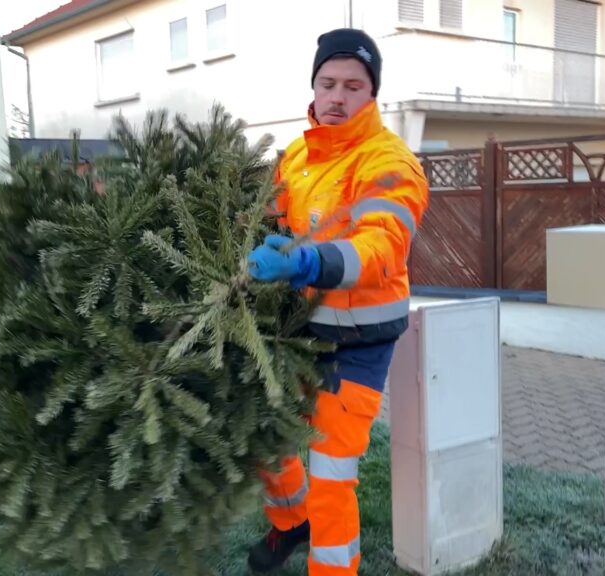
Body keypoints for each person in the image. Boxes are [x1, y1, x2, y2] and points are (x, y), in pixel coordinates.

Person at [245, 27, 430, 576]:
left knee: (330, 473)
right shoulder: (297, 156)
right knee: (269, 438)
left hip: (358, 343)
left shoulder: (391, 162)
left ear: (372, 95)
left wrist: (309, 262)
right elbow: (270, 217)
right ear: (314, 85)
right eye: (327, 83)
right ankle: (289, 524)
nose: (337, 97)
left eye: (353, 85)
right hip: (298, 330)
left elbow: (382, 244)